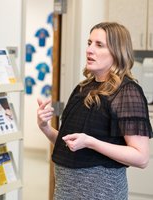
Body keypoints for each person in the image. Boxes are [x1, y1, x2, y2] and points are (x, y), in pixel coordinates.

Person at [37, 22, 153, 200]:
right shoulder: (82, 88)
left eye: (99, 45)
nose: (90, 50)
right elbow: (70, 143)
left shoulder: (127, 92)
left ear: (117, 51)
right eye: (89, 43)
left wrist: (91, 142)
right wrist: (45, 127)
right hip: (66, 192)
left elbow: (141, 157)